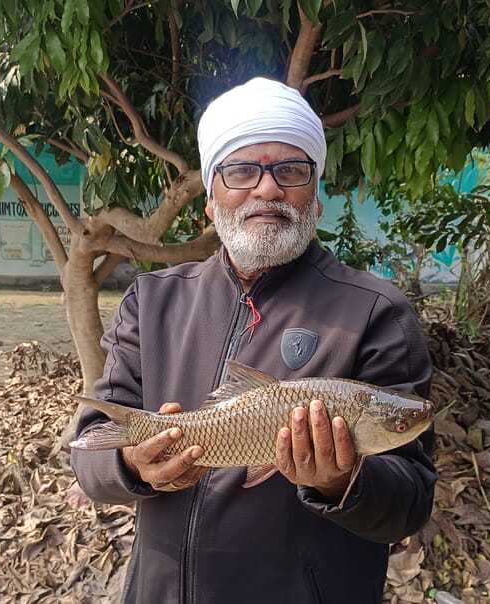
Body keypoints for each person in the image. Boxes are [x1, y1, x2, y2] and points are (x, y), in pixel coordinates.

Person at [70, 77, 436, 604]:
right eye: (241, 171)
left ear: (315, 196)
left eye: (291, 170)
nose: (267, 189)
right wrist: (131, 464)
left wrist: (341, 482)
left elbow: (411, 499)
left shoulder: (377, 313)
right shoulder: (151, 301)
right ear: (212, 201)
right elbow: (89, 453)